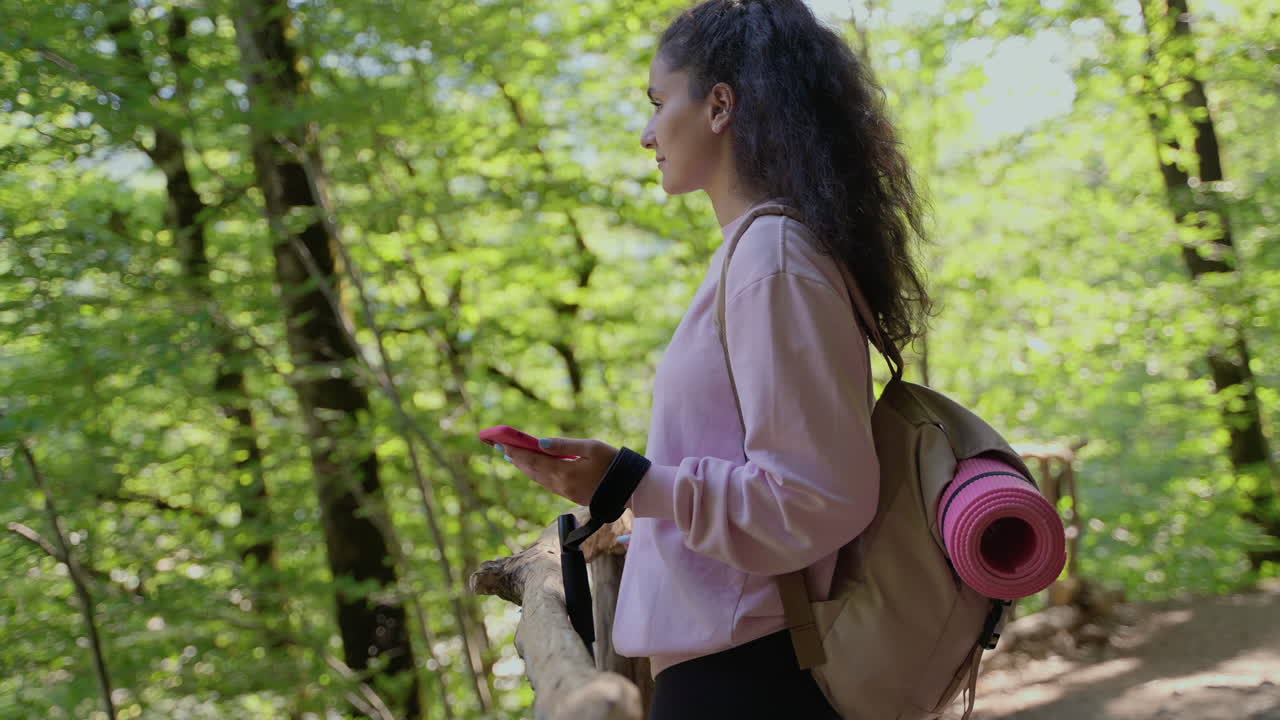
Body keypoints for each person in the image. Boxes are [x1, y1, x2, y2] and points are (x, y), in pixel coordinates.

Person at [499, 1, 932, 717]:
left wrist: (634, 481)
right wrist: (620, 485)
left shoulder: (774, 258)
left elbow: (815, 495)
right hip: (733, 669)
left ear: (720, 105)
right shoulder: (756, 255)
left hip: (751, 676)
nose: (646, 133)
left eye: (658, 102)